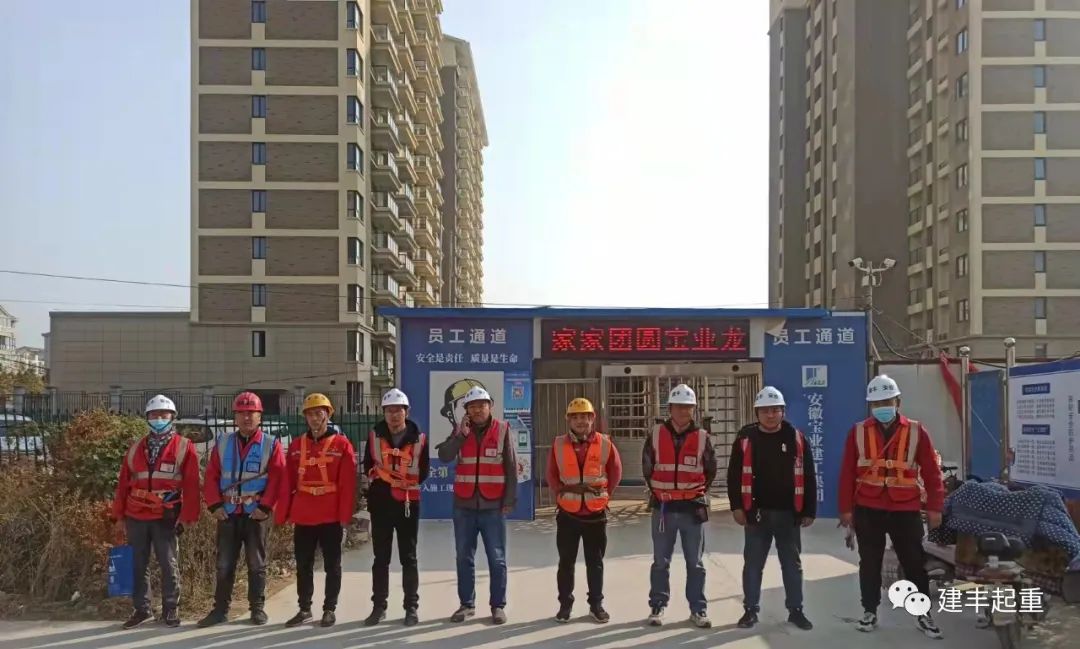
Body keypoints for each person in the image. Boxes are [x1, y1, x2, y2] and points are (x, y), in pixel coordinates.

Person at [838, 375, 945, 639]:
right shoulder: (858, 432)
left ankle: (923, 614)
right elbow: (847, 472)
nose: (882, 407)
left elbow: (932, 473)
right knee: (869, 563)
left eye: (887, 401)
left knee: (914, 563)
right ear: (870, 405)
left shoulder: (917, 431)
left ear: (898, 401)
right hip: (868, 507)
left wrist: (935, 507)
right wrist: (846, 510)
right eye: (876, 403)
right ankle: (869, 611)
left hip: (905, 508)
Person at [726, 386, 816, 631]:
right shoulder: (745, 439)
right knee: (753, 565)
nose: (770, 415)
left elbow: (809, 475)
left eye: (775, 410)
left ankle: (796, 610)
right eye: (765, 410)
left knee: (792, 565)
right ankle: (750, 610)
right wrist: (736, 506)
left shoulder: (796, 438)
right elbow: (734, 475)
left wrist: (809, 510)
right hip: (756, 514)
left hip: (789, 514)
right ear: (757, 413)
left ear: (783, 411)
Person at [111, 394, 201, 629]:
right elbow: (123, 484)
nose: (159, 418)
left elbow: (192, 485)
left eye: (164, 414)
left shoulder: (184, 447)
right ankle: (142, 610)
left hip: (166, 516)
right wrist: (119, 516)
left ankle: (170, 609)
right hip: (136, 515)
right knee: (137, 564)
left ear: (172, 417)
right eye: (154, 415)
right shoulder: (135, 449)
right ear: (147, 418)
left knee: (168, 563)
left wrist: (188, 516)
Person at [198, 391, 287, 627]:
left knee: (256, 564)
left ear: (260, 416)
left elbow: (278, 479)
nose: (247, 417)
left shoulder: (270, 444)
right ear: (235, 417)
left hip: (255, 514)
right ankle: (220, 610)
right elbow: (211, 475)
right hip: (227, 513)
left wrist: (265, 507)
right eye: (242, 413)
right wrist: (214, 505)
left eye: (251, 413)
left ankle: (257, 609)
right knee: (224, 564)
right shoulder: (223, 442)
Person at [436, 385, 517, 625]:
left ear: (490, 406)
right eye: (472, 406)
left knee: (497, 558)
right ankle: (467, 605)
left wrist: (509, 499)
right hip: (464, 506)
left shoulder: (502, 429)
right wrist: (460, 435)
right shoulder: (460, 431)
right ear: (466, 410)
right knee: (464, 557)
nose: (478, 410)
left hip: (493, 506)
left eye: (482, 405)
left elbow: (511, 467)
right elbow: (444, 456)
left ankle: (498, 606)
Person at [279, 393, 357, 629]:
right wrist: (283, 513)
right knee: (303, 564)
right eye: (310, 414)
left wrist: (345, 516)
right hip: (304, 514)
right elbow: (287, 482)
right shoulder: (296, 446)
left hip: (330, 515)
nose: (314, 418)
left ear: (328, 414)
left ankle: (329, 609)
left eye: (318, 413)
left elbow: (348, 484)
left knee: (332, 565)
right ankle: (304, 609)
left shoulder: (342, 445)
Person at [642, 384, 716, 628]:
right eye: (679, 406)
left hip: (691, 510)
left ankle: (698, 609)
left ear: (694, 409)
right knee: (660, 561)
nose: (683, 411)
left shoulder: (703, 437)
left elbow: (710, 469)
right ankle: (657, 605)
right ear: (670, 408)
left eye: (688, 407)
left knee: (695, 562)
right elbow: (647, 466)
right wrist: (660, 491)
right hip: (663, 509)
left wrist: (693, 492)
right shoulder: (655, 434)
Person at [546, 397, 622, 624]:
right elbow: (551, 473)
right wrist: (560, 494)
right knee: (566, 563)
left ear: (592, 419)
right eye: (575, 417)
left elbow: (615, 471)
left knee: (595, 562)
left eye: (585, 417)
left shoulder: (605, 443)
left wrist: (605, 495)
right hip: (568, 514)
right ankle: (565, 605)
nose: (580, 421)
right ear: (568, 420)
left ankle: (596, 605)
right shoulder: (558, 444)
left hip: (595, 515)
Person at [361, 388, 429, 628]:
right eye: (389, 411)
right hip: (381, 503)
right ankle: (379, 607)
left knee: (409, 557)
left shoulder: (419, 438)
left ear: (406, 412)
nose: (393, 415)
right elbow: (367, 466)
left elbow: (424, 471)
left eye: (398, 410)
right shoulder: (374, 436)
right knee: (381, 558)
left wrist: (402, 482)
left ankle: (411, 607)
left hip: (408, 503)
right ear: (384, 413)